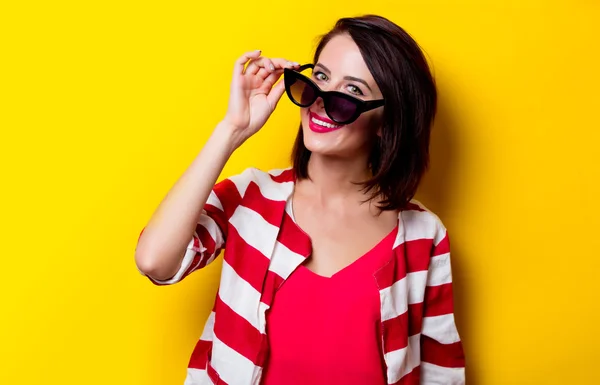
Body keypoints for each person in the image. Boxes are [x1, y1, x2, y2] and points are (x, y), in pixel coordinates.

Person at [135, 14, 465, 385]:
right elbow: (155, 261)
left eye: (353, 90)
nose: (322, 101)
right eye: (320, 78)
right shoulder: (252, 197)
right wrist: (231, 130)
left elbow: (441, 371)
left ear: (387, 122)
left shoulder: (423, 235)